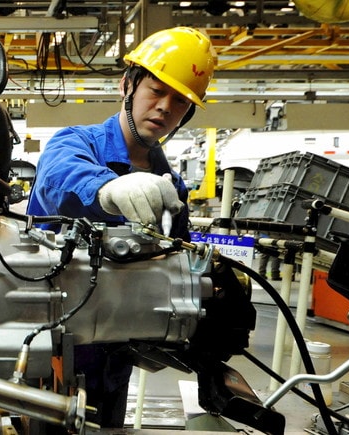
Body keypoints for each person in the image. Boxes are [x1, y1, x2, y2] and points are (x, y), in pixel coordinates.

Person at [25, 27, 217, 428]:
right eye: (156, 91)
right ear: (127, 85)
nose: (165, 107)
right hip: (51, 346)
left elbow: (179, 268)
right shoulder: (76, 143)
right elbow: (60, 177)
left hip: (116, 351)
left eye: (180, 101)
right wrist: (108, 188)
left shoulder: (171, 188)